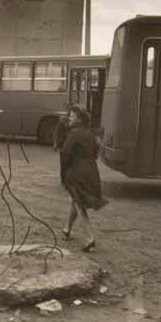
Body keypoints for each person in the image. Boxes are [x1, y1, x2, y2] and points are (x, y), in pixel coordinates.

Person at [60, 104, 107, 252]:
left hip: (77, 173)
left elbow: (65, 156)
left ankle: (89, 238)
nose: (69, 117)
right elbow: (96, 151)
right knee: (76, 200)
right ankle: (67, 228)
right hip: (92, 171)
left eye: (72, 116)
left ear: (79, 119)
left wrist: (63, 174)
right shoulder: (90, 134)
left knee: (80, 205)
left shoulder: (73, 135)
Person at [53, 114, 69, 184]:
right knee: (64, 164)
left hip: (69, 146)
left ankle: (65, 180)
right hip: (63, 146)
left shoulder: (74, 124)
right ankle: (63, 180)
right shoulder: (61, 122)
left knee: (66, 164)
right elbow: (57, 133)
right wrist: (56, 143)